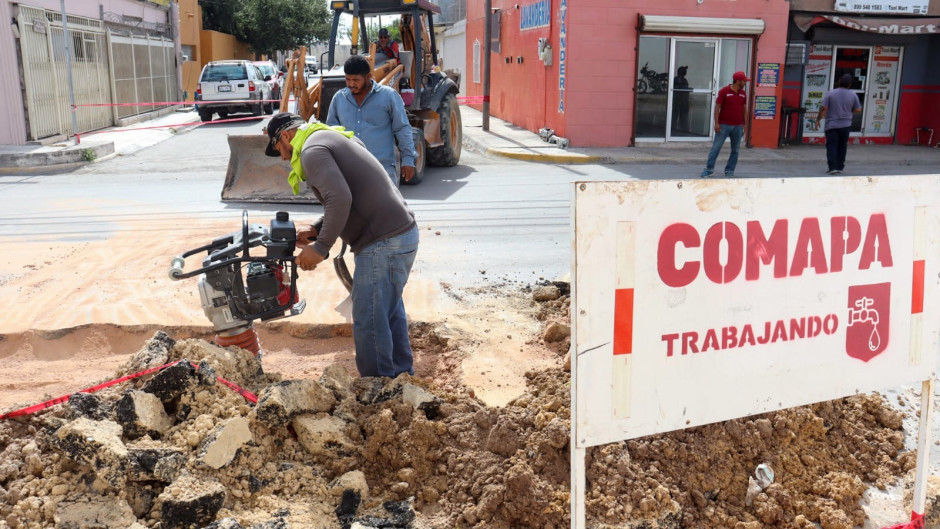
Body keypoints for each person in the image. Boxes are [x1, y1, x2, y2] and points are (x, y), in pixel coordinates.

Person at [263, 112, 420, 378]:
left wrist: (321, 248)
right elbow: (352, 193)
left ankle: (377, 388)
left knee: (369, 319)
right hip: (399, 234)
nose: (282, 156)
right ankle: (401, 379)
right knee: (387, 313)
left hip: (383, 242)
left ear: (286, 136)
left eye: (278, 148)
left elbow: (340, 198)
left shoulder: (312, 151)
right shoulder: (330, 136)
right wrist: (316, 229)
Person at [326, 55, 416, 187]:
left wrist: (408, 159)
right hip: (349, 171)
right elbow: (331, 133)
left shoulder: (388, 96)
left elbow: (402, 128)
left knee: (385, 208)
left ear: (368, 76)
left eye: (355, 80)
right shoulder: (339, 99)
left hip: (382, 169)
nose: (351, 84)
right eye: (347, 79)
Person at [701, 71, 750, 178]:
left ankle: (729, 170)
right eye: (744, 81)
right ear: (738, 81)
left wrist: (745, 124)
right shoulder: (724, 91)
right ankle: (709, 169)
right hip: (724, 125)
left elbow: (744, 109)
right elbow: (717, 107)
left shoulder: (743, 93)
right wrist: (716, 123)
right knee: (716, 148)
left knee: (735, 150)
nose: (745, 83)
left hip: (738, 126)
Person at [816, 73, 861, 175]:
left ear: (839, 81)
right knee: (842, 146)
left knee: (832, 146)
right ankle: (840, 167)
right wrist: (849, 110)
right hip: (846, 125)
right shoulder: (853, 95)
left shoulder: (830, 94)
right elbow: (858, 109)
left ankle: (832, 167)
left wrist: (818, 120)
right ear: (850, 85)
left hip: (832, 125)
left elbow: (824, 108)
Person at [672, 66, 691, 132]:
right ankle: (677, 129)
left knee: (678, 116)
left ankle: (678, 129)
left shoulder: (676, 80)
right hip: (679, 102)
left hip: (679, 102)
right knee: (679, 117)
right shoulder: (682, 81)